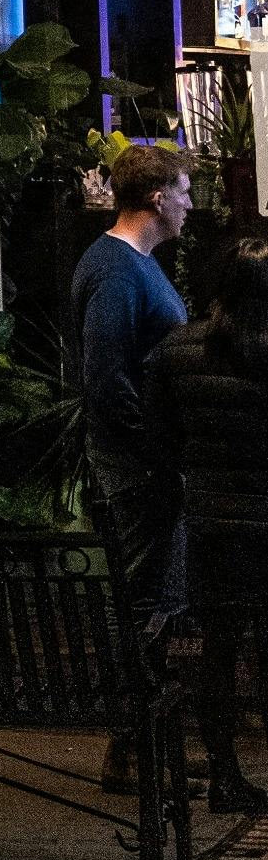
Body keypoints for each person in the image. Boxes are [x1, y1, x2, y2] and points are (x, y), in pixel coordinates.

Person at [75, 141, 195, 789]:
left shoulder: (128, 264)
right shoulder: (117, 271)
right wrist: (155, 455)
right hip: (135, 474)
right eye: (182, 193)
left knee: (157, 605)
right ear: (156, 197)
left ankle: (150, 746)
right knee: (146, 607)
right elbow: (104, 379)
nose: (188, 205)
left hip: (144, 469)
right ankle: (132, 751)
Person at [145, 238, 268, 813]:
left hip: (214, 526)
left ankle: (224, 774)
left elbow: (161, 441)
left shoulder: (179, 350)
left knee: (219, 650)